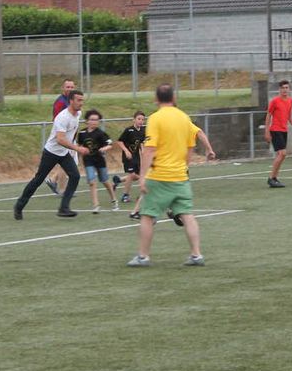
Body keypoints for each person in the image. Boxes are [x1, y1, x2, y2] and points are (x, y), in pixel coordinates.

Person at [127, 84, 215, 268]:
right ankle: (196, 254)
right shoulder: (184, 117)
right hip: (180, 176)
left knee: (147, 215)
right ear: (174, 98)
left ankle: (143, 256)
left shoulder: (156, 118)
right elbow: (191, 145)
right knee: (187, 215)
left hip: (159, 175)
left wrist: (142, 177)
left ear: (156, 99)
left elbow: (149, 149)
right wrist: (183, 166)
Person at [13, 89, 89, 220]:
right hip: (51, 152)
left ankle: (63, 208)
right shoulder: (62, 117)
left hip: (64, 152)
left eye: (82, 100)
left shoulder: (78, 114)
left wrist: (74, 144)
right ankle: (19, 206)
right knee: (38, 180)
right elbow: (60, 139)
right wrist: (76, 148)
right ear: (71, 101)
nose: (81, 103)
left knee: (75, 176)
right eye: (79, 100)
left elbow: (72, 131)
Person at [77, 109, 119, 214]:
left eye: (96, 120)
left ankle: (114, 199)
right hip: (88, 160)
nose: (94, 122)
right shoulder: (82, 133)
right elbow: (79, 146)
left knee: (105, 181)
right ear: (87, 121)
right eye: (92, 119)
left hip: (99, 160)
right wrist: (79, 153)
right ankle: (95, 205)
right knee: (92, 182)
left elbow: (110, 144)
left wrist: (103, 149)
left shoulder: (100, 133)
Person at [264, 80, 292, 188]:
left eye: (287, 88)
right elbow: (268, 115)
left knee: (282, 155)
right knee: (282, 154)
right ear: (279, 89)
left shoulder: (290, 101)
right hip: (275, 129)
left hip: (284, 130)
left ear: (289, 89)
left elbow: (289, 116)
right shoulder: (275, 101)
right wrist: (266, 131)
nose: (285, 90)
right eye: (283, 88)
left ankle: (274, 178)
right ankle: (271, 178)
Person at [45, 78, 76, 196]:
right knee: (65, 162)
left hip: (71, 137)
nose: (70, 89)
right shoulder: (60, 102)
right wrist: (63, 137)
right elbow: (57, 121)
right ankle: (63, 190)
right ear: (63, 88)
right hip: (62, 138)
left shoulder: (73, 101)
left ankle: (53, 180)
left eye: (72, 87)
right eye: (68, 87)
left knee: (70, 162)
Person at [114, 110, 146, 218]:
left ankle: (119, 180)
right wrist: (126, 151)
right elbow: (119, 141)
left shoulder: (143, 130)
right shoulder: (129, 130)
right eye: (139, 119)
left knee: (136, 177)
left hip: (136, 157)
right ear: (134, 119)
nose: (141, 121)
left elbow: (141, 142)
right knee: (132, 174)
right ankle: (125, 195)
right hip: (128, 157)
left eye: (142, 119)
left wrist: (144, 151)